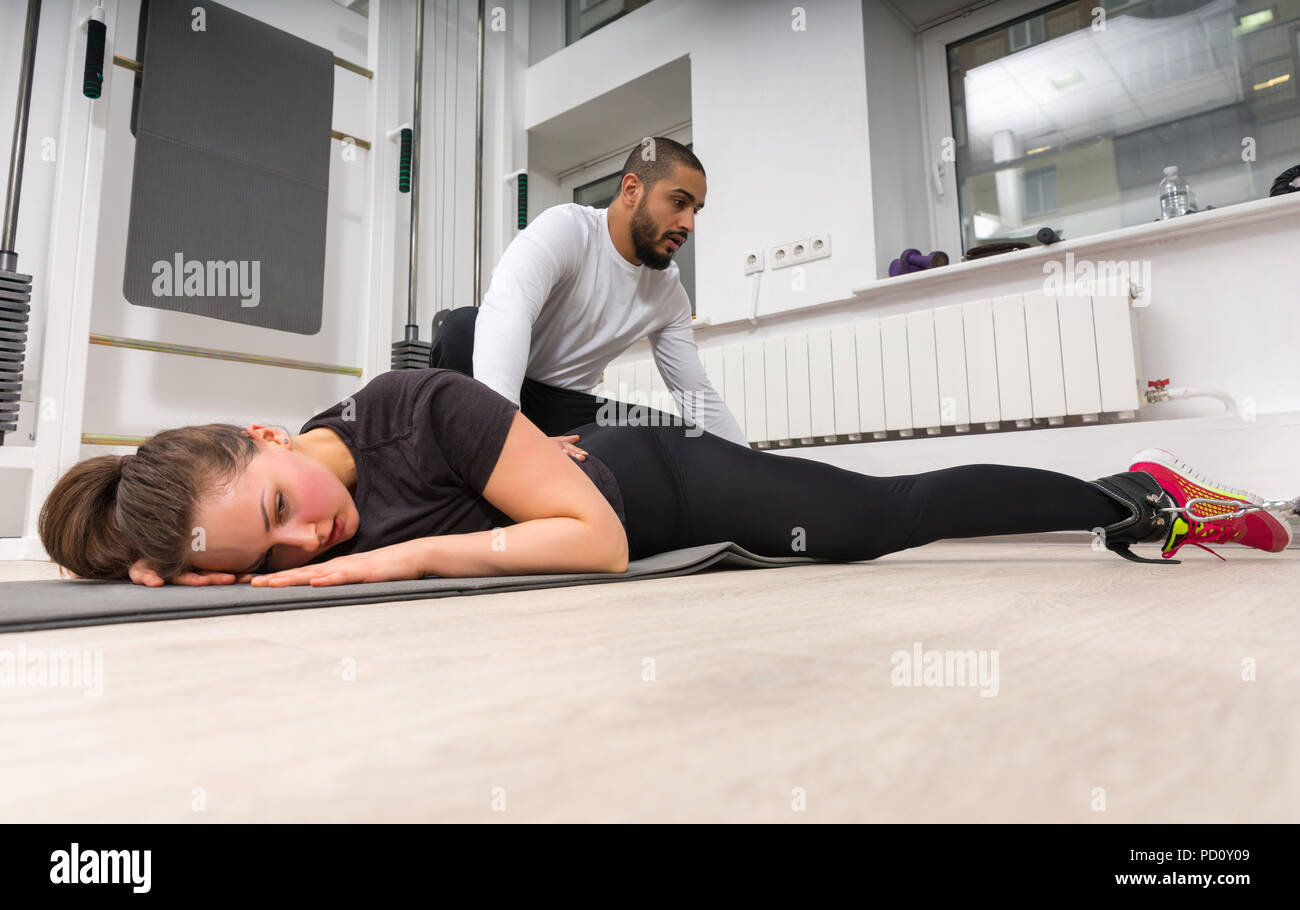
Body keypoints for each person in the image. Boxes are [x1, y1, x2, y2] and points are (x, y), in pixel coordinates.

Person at [38, 368, 1290, 588]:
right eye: (266, 558)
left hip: (663, 489)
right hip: (591, 493)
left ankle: (1139, 494)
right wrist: (156, 557)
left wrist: (404, 555)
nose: (304, 546)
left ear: (266, 435)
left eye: (279, 514)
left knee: (883, 517)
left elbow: (589, 543)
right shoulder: (252, 510)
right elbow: (190, 543)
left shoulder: (417, 410)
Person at [430, 136, 748, 459]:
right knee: (461, 328)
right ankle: (476, 459)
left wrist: (755, 468)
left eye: (696, 210)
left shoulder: (669, 295)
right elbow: (508, 309)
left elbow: (697, 396)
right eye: (679, 202)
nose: (689, 224)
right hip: (502, 391)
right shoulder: (567, 229)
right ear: (632, 189)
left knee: (660, 432)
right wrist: (512, 437)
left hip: (566, 409)